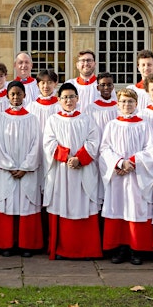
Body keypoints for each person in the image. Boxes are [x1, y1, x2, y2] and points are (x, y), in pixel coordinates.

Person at [42, 82, 102, 260]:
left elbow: (94, 141)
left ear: (77, 98)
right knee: (62, 204)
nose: (68, 101)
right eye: (65, 97)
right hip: (62, 172)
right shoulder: (53, 120)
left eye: (71, 97)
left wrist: (79, 158)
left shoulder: (86, 119)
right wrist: (67, 157)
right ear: (59, 100)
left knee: (84, 206)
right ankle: (62, 249)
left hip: (82, 170)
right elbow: (49, 143)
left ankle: (87, 250)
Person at [99, 88, 153, 265]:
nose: (127, 104)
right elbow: (104, 149)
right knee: (118, 209)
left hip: (136, 176)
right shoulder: (112, 125)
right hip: (117, 175)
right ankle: (119, 248)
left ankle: (136, 249)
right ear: (118, 104)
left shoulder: (144, 125)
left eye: (130, 101)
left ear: (136, 103)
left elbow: (150, 149)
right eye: (123, 101)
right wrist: (119, 163)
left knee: (135, 209)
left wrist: (131, 162)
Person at [0, 81, 44, 257]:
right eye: (12, 94)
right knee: (8, 204)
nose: (15, 97)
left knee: (26, 205)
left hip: (26, 171)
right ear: (7, 96)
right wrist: (10, 166)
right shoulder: (1, 118)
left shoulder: (32, 118)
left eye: (19, 93)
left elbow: (36, 144)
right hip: (7, 171)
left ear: (24, 95)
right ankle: (6, 243)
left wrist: (25, 167)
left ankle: (27, 245)